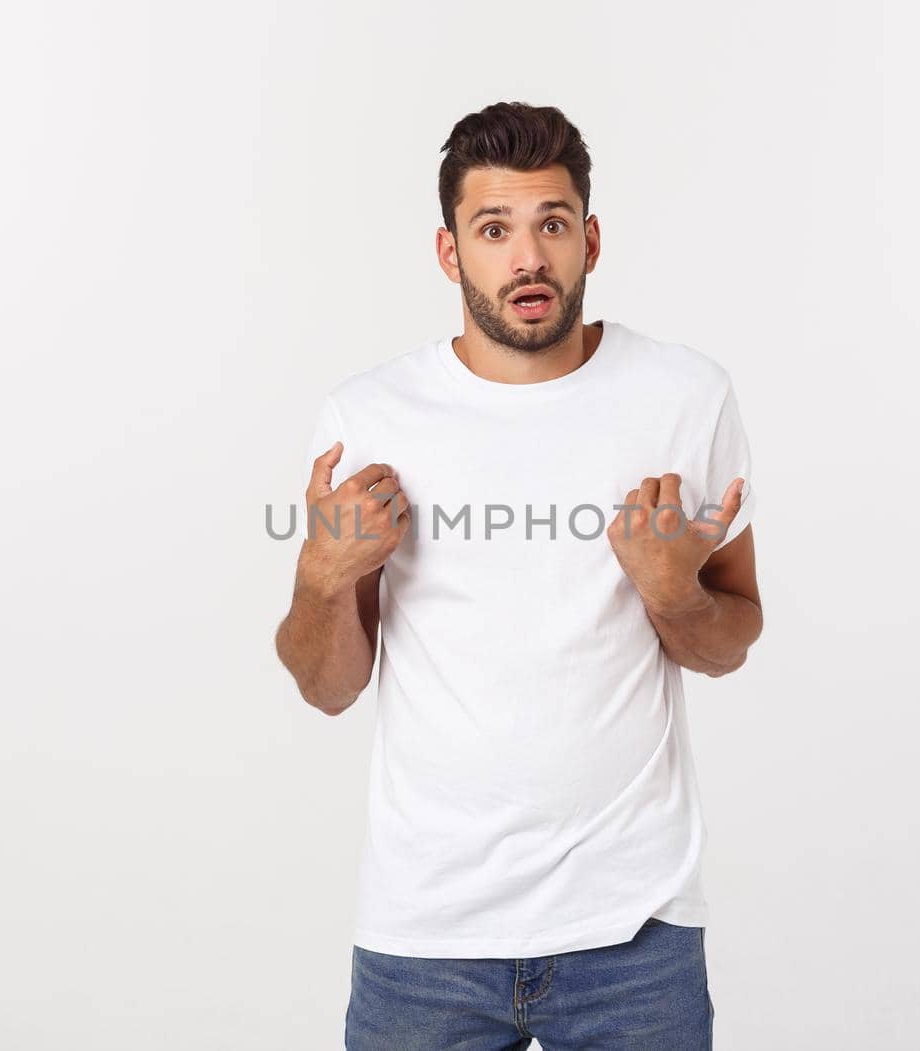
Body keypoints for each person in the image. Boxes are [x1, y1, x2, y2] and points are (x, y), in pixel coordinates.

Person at [274, 100, 764, 1050]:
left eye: (550, 224)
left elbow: (731, 641)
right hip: (426, 934)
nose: (527, 257)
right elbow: (328, 686)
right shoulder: (369, 416)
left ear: (590, 238)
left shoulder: (685, 397)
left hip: (635, 929)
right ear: (451, 253)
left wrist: (672, 590)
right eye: (494, 230)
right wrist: (321, 578)